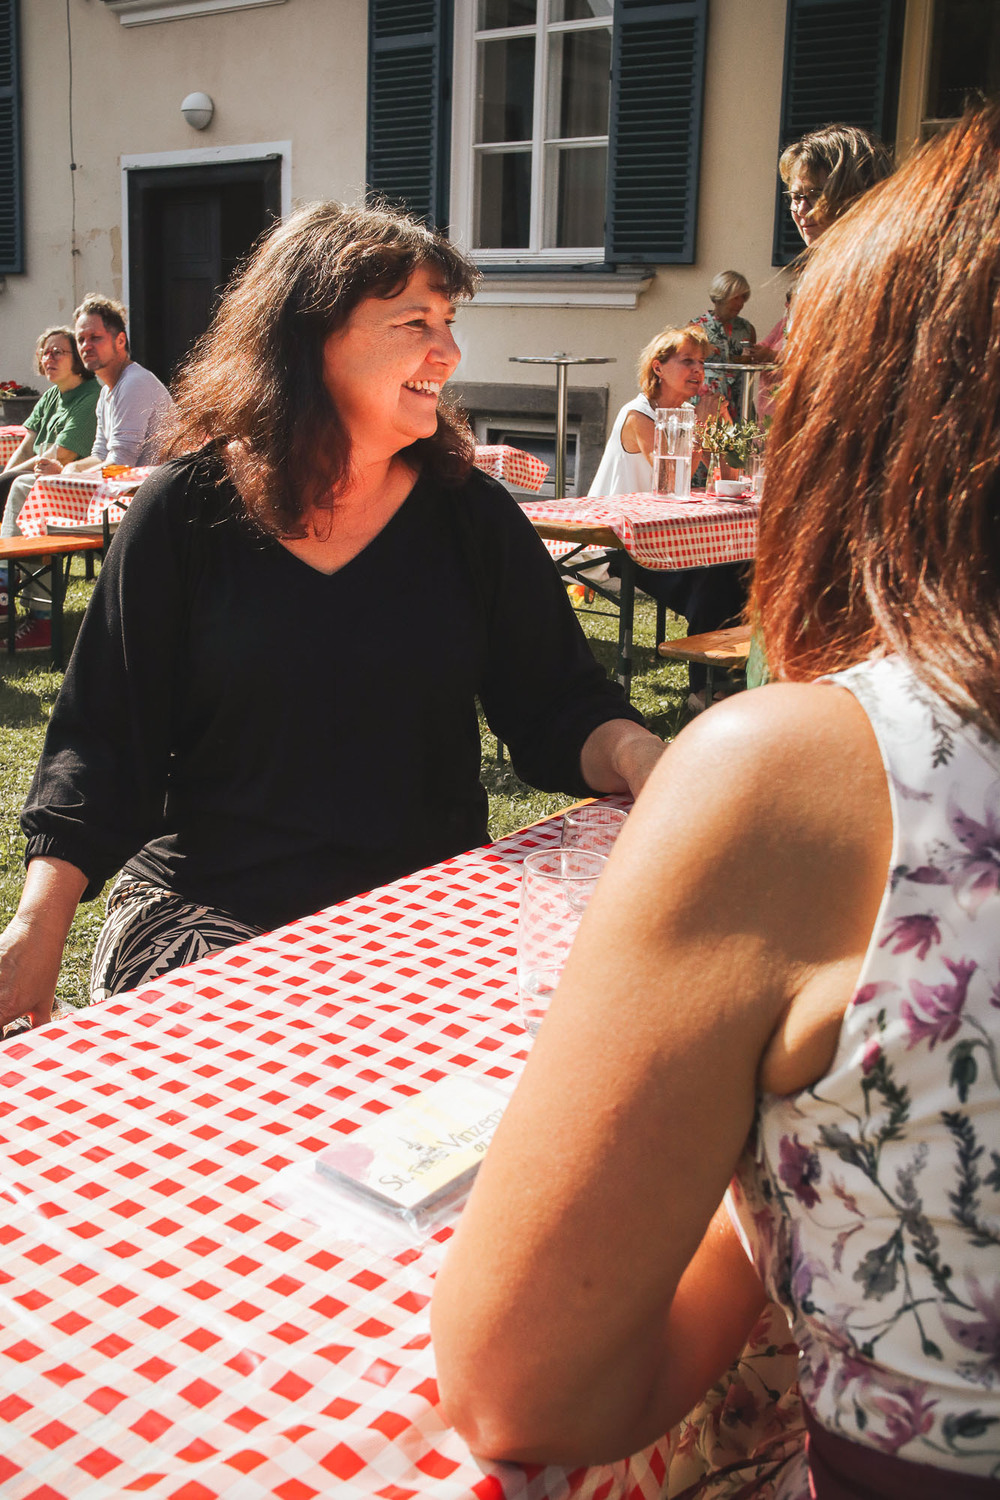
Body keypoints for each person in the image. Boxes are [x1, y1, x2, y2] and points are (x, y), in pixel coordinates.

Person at [432, 102, 1000, 1497]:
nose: (440, 356)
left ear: (866, 424)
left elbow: (522, 1385)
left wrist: (772, 1175)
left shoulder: (815, 775)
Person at [0, 201, 664, 1031]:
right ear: (310, 337)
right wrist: (37, 926)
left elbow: (558, 704)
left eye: (449, 322)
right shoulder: (184, 513)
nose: (449, 351)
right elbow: (101, 739)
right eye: (414, 322)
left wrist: (641, 755)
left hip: (424, 912)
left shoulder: (470, 516)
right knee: (244, 1066)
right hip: (208, 905)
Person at [2, 296, 173, 651]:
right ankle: (16, 595)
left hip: (143, 507)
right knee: (27, 485)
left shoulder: (134, 383)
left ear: (120, 340)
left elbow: (121, 463)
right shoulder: (107, 391)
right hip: (119, 500)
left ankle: (31, 611)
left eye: (95, 337)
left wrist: (69, 476)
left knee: (24, 491)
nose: (86, 345)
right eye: (81, 339)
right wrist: (65, 469)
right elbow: (98, 455)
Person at [588, 326, 746, 710]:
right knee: (710, 578)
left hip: (669, 532)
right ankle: (703, 689)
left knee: (739, 564)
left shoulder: (689, 414)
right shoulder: (637, 414)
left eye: (701, 362)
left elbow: (731, 476)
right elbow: (670, 479)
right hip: (620, 538)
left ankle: (733, 677)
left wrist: (722, 431)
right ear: (658, 368)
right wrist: (700, 429)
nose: (698, 370)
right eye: (687, 361)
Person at [0, 326, 99, 628]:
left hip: (73, 494)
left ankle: (11, 590)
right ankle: (7, 585)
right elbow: (27, 445)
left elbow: (63, 454)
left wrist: (6, 481)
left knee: (17, 488)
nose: (49, 358)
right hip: (38, 482)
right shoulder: (52, 395)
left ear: (77, 359)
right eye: (45, 353)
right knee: (11, 485)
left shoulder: (90, 395)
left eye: (58, 352)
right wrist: (5, 476)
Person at [690, 270, 768, 420]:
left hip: (740, 398)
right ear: (720, 297)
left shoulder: (746, 328)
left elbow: (749, 361)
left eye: (743, 298)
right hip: (709, 398)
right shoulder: (697, 327)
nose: (740, 303)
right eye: (735, 298)